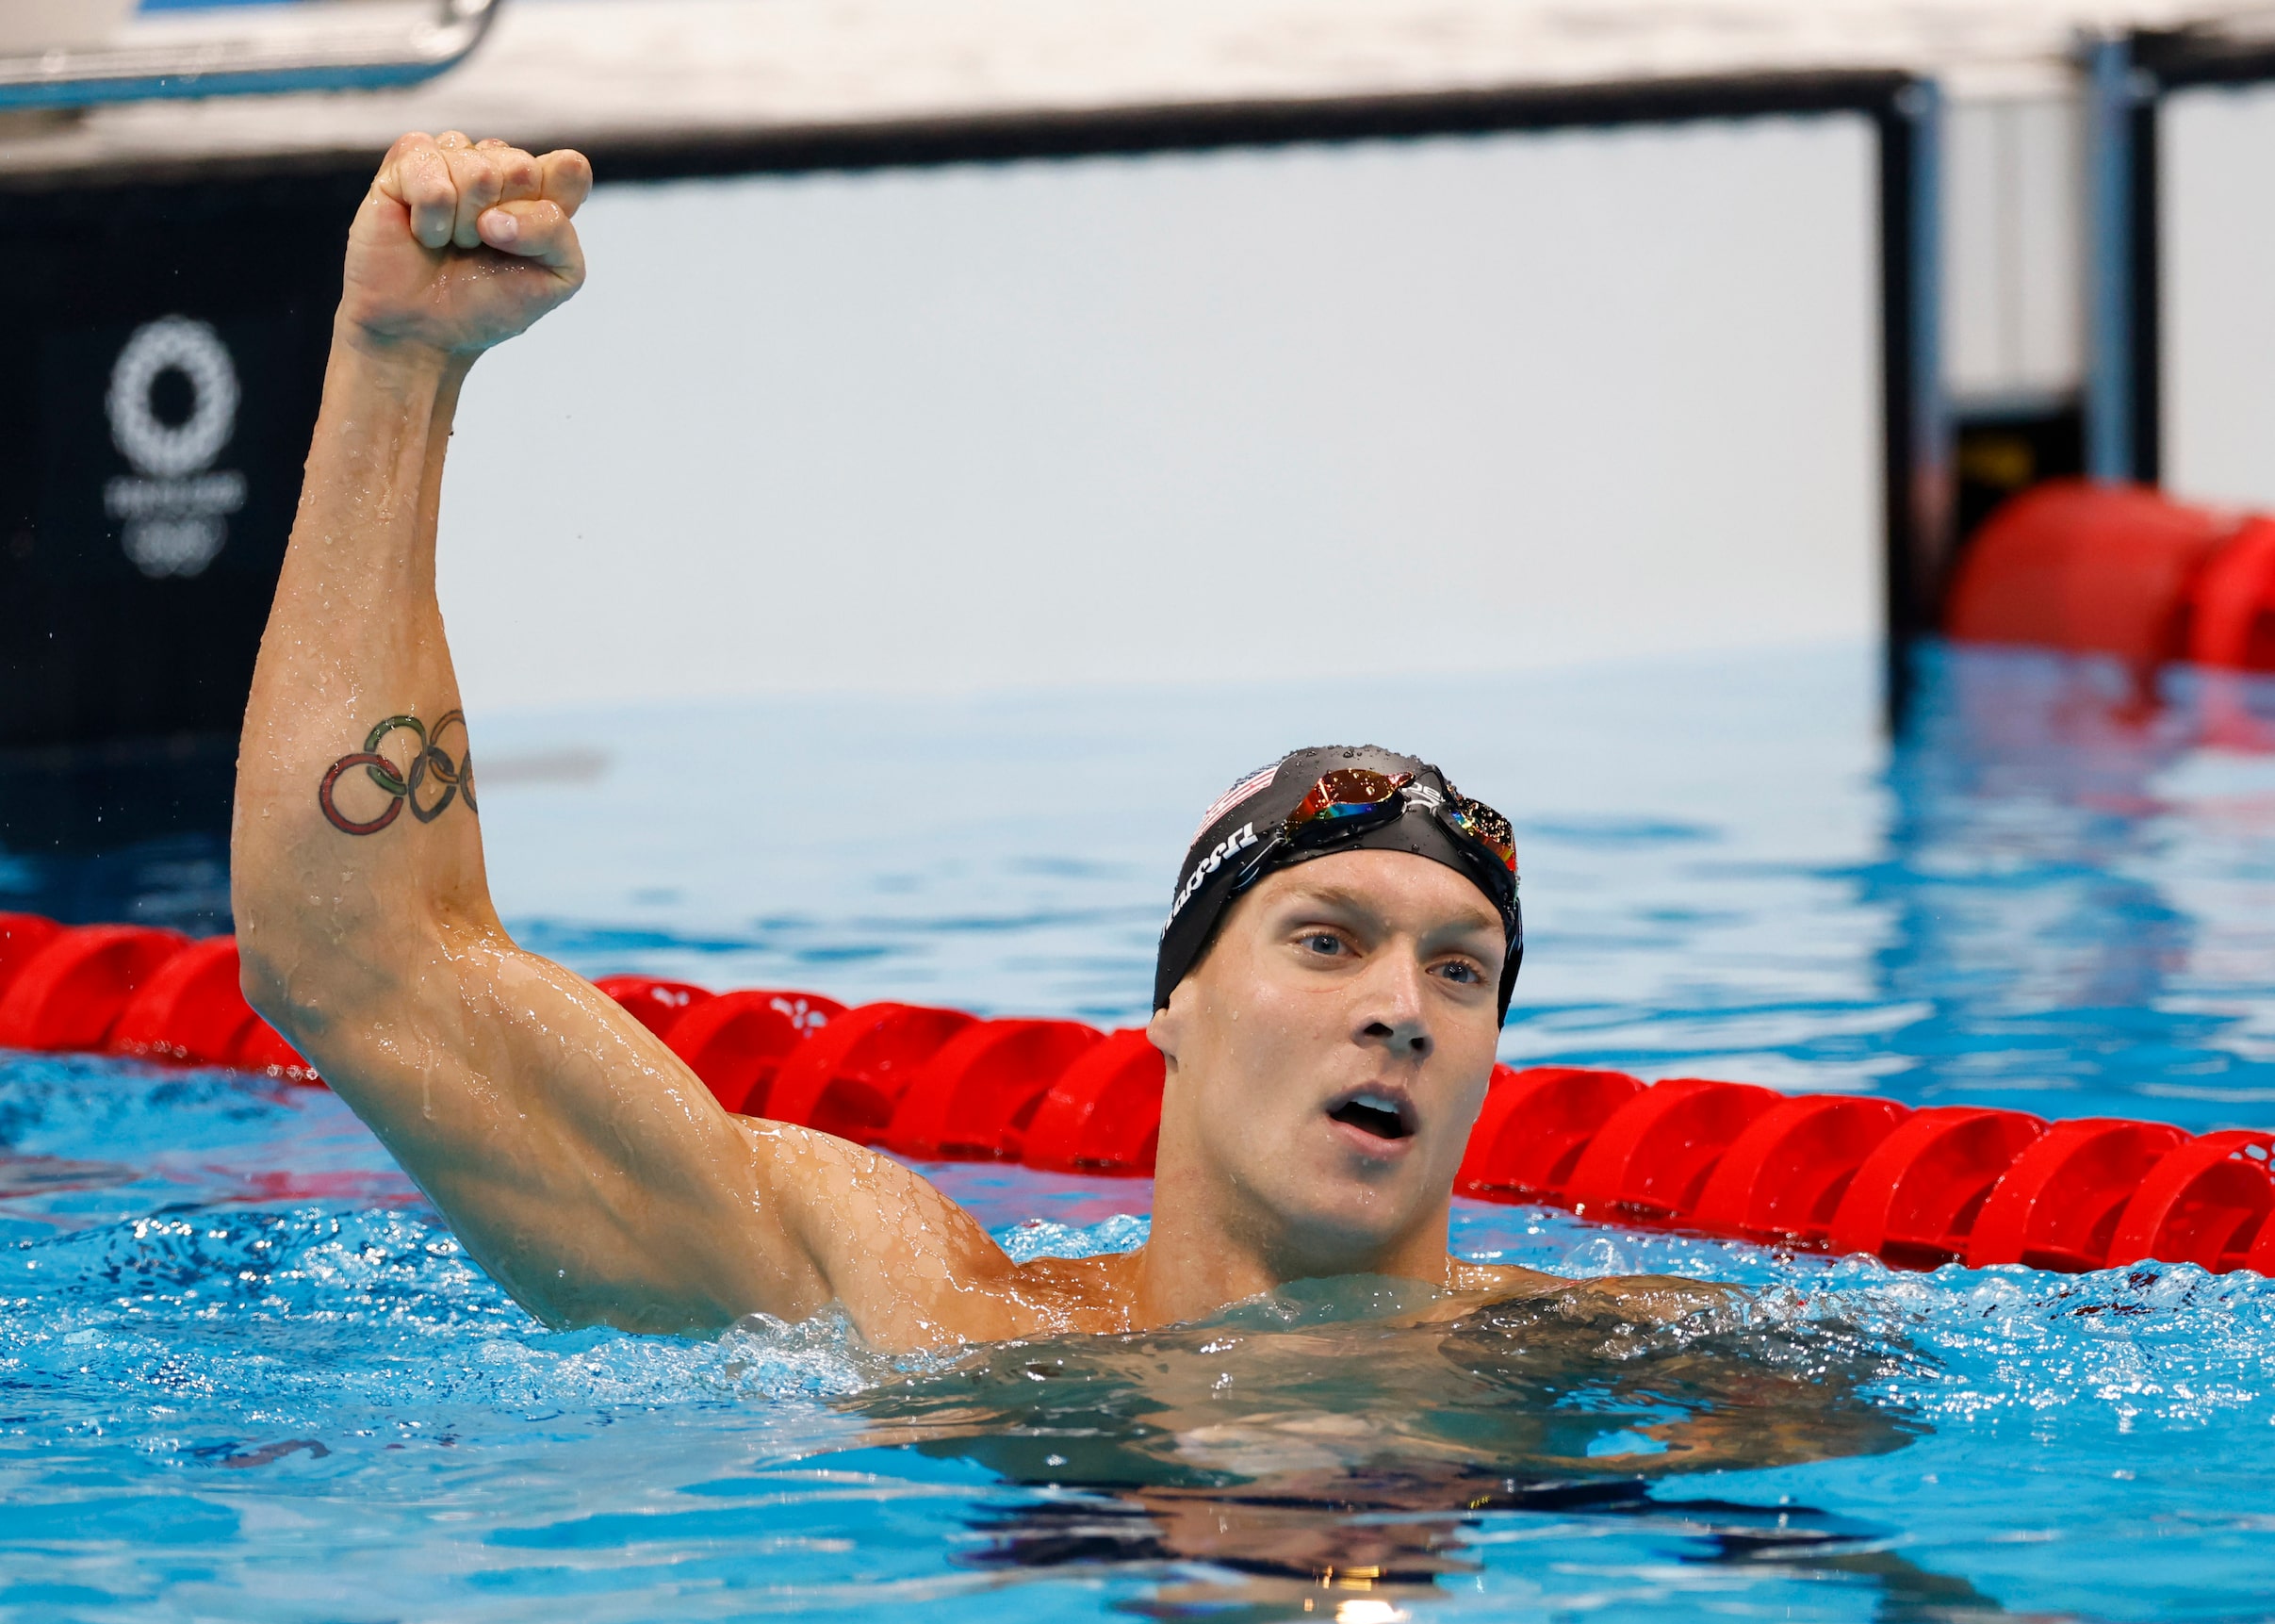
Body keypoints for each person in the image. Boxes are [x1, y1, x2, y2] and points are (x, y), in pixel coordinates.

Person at [234, 131, 1683, 1351]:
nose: (1403, 1009)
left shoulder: (1610, 1356)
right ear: (1172, 1009)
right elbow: (357, 958)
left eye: (1459, 969)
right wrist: (398, 363)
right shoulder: (928, 1312)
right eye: (1324, 939)